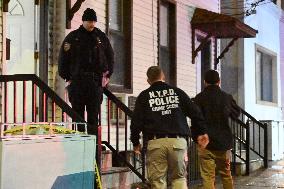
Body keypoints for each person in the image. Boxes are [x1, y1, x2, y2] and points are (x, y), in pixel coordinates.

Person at [130, 66, 209, 189]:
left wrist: (135, 142)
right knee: (179, 178)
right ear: (163, 76)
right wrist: (201, 132)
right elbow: (196, 112)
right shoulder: (177, 92)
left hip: (155, 143)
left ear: (148, 80)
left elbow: (135, 123)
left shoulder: (144, 96)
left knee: (157, 181)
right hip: (178, 142)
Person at [58, 8, 114, 135]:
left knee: (93, 116)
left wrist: (108, 74)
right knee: (78, 116)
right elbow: (63, 59)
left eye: (94, 21)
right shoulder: (73, 37)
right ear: (83, 21)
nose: (92, 24)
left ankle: (93, 147)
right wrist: (67, 77)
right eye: (89, 21)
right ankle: (80, 143)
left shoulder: (101, 37)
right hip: (77, 81)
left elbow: (110, 56)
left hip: (95, 81)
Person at [193, 70, 240, 189]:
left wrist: (196, 137)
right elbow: (236, 113)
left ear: (204, 82)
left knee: (208, 176)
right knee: (226, 173)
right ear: (219, 82)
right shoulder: (226, 97)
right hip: (224, 143)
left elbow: (195, 119)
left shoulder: (199, 98)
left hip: (205, 142)